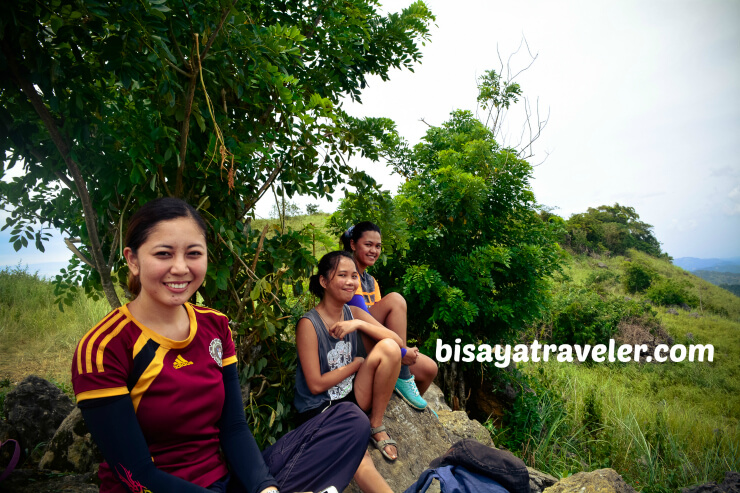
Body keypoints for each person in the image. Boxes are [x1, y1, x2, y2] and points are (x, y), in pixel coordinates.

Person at [72, 197, 369, 493]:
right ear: (133, 260)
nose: (180, 268)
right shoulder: (104, 348)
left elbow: (234, 429)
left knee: (350, 421)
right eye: (163, 254)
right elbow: (136, 474)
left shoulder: (214, 325)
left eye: (193, 253)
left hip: (224, 483)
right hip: (154, 488)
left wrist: (266, 489)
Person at [295, 250, 402, 492]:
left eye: (354, 276)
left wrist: (360, 323)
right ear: (324, 281)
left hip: (350, 396)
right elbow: (315, 385)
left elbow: (398, 342)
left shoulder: (352, 313)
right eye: (342, 275)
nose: (350, 281)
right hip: (320, 408)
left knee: (390, 348)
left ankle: (376, 424)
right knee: (360, 459)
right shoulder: (308, 324)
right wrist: (355, 365)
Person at [341, 221, 439, 411]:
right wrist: (402, 352)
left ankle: (406, 408)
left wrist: (402, 348)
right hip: (356, 341)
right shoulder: (348, 276)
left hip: (378, 340)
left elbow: (379, 322)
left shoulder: (371, 281)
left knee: (429, 369)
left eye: (378, 246)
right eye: (368, 245)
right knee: (395, 299)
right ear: (353, 244)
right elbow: (361, 317)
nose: (374, 251)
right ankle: (402, 373)